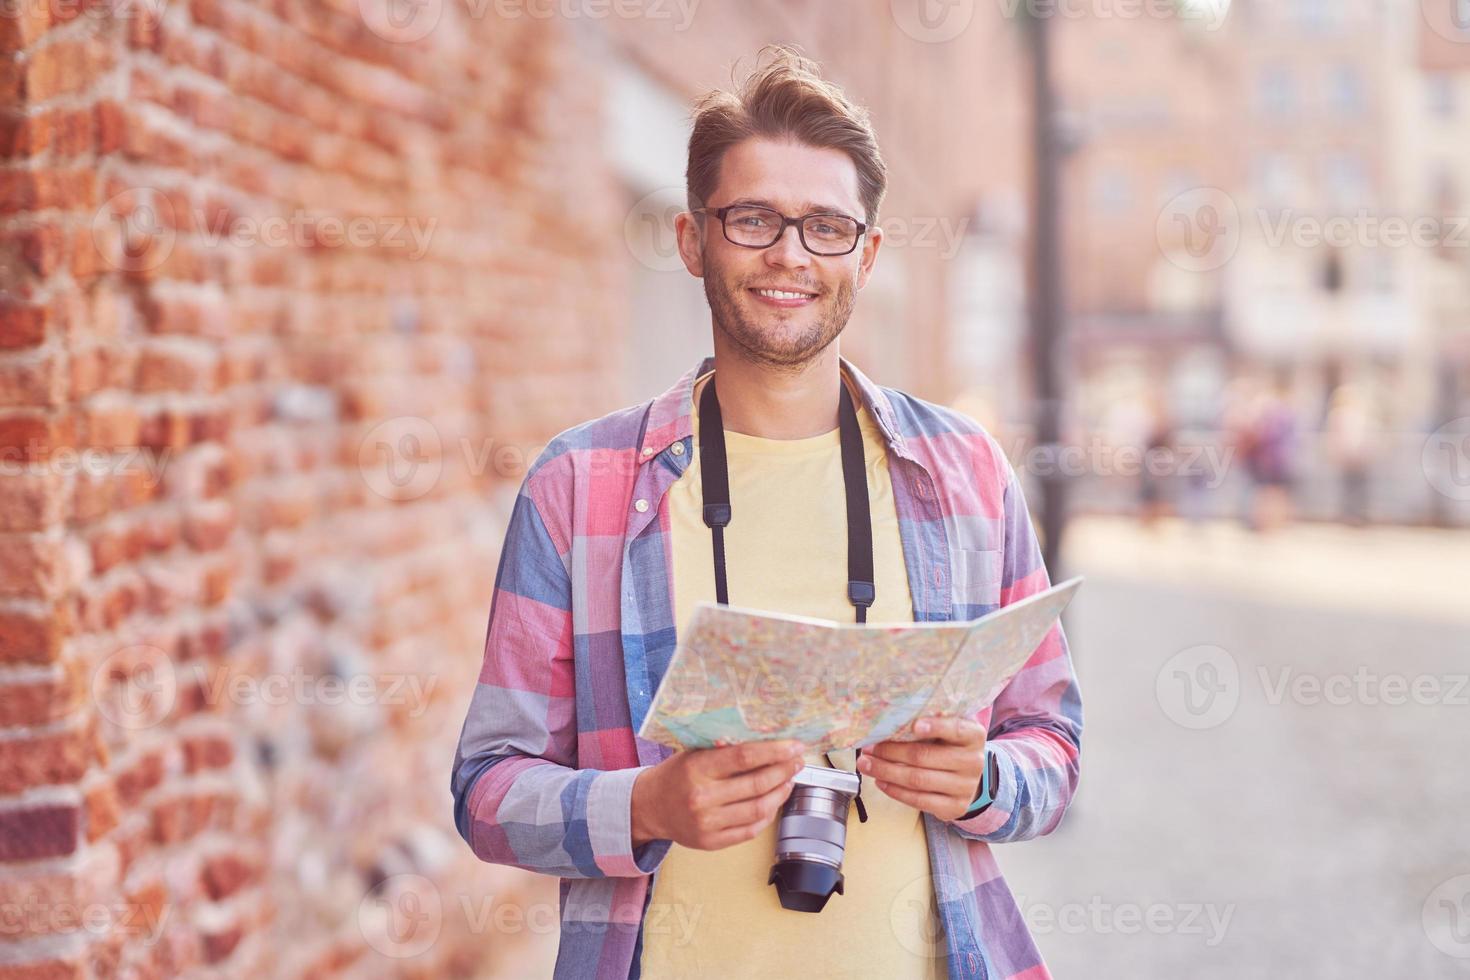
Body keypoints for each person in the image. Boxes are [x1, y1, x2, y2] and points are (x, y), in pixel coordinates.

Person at [450, 45, 1082, 980]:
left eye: (826, 226)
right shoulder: (577, 484)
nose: (790, 253)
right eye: (753, 219)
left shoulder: (965, 472)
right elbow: (486, 791)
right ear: (691, 239)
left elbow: (1055, 749)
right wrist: (647, 808)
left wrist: (985, 780)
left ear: (866, 257)